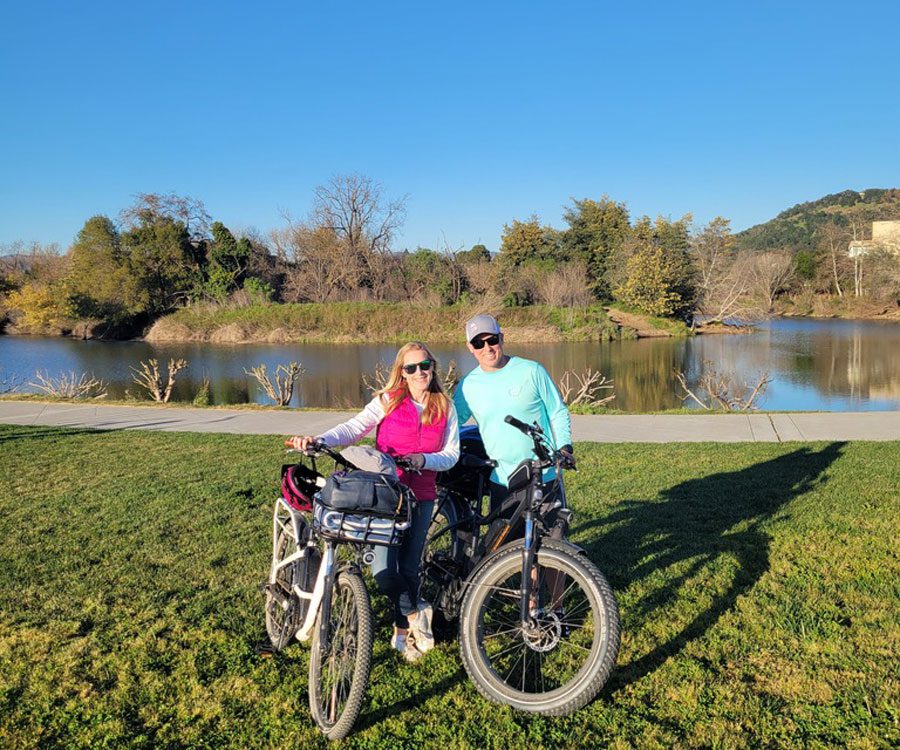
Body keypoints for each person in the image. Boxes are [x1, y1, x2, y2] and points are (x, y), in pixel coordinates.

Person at [288, 342, 459, 661]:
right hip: (386, 496)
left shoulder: (445, 406)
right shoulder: (389, 400)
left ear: (433, 367)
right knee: (383, 569)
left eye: (425, 366)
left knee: (409, 568)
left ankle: (401, 633)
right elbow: (354, 428)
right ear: (402, 373)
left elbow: (451, 455)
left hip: (421, 497)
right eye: (412, 368)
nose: (420, 372)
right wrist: (320, 441)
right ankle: (415, 613)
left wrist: (424, 461)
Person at [452, 314, 574, 526]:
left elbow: (557, 411)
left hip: (543, 474)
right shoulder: (467, 386)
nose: (487, 348)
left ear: (502, 338)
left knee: (555, 541)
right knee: (506, 551)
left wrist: (564, 449)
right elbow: (450, 423)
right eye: (478, 343)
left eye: (492, 340)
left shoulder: (531, 371)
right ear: (470, 347)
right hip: (502, 478)